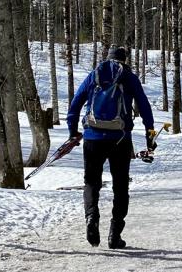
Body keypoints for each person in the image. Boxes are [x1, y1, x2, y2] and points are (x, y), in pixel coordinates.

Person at [66, 46, 157, 249]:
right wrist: (150, 136)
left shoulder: (93, 75)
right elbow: (144, 106)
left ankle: (91, 218)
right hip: (120, 138)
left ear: (107, 59)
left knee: (91, 182)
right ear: (124, 60)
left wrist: (73, 131)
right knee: (120, 186)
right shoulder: (128, 77)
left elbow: (75, 103)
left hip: (93, 137)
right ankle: (114, 235)